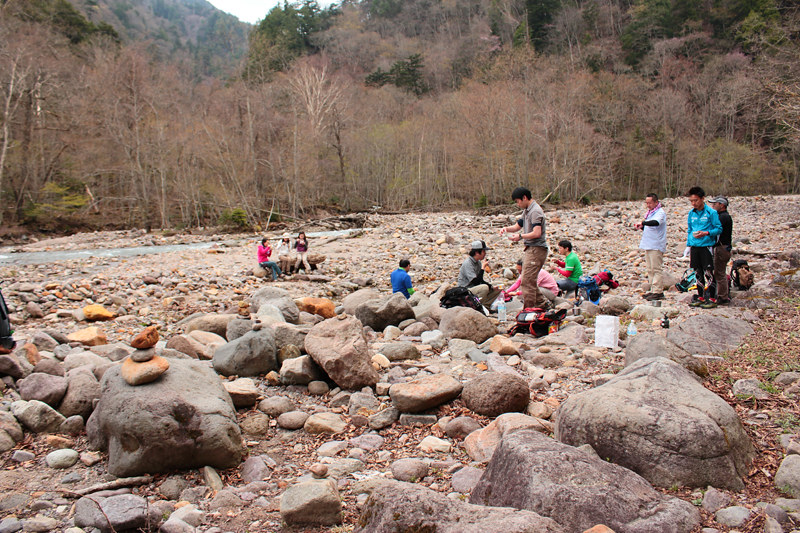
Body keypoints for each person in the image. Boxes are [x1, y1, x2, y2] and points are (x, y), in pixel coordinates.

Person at [499, 187, 550, 310]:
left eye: (518, 201)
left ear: (524, 198)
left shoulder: (535, 211)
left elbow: (537, 232)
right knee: (529, 280)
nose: (518, 204)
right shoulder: (527, 210)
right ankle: (543, 305)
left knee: (526, 281)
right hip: (530, 249)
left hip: (537, 249)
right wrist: (506, 229)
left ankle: (529, 309)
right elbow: (518, 226)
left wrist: (520, 236)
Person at [686, 186, 723, 308]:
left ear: (702, 199)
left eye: (696, 200)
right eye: (691, 201)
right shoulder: (691, 213)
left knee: (708, 273)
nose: (693, 203)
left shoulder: (711, 213)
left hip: (706, 246)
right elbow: (690, 230)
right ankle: (700, 297)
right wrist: (688, 245)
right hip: (695, 246)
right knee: (697, 272)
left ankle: (712, 298)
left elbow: (718, 229)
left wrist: (706, 233)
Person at [634, 193, 667, 301]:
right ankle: (653, 290)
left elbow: (655, 223)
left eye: (650, 203)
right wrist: (642, 226)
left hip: (656, 245)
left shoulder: (660, 213)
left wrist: (644, 222)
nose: (648, 205)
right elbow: (649, 227)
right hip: (648, 244)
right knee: (650, 269)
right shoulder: (650, 213)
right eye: (647, 203)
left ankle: (658, 291)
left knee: (656, 268)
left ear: (656, 202)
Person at [458, 240, 502, 307]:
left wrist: (492, 287)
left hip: (475, 287)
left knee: (499, 285)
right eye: (484, 251)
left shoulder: (478, 262)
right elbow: (476, 281)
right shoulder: (468, 263)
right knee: (484, 288)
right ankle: (477, 306)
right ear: (477, 253)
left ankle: (485, 306)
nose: (485, 254)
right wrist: (483, 268)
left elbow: (480, 280)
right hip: (465, 290)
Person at [710, 196, 733, 305]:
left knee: (719, 273)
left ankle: (722, 297)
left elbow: (715, 231)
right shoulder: (723, 216)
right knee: (719, 272)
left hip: (722, 247)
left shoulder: (723, 217)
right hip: (723, 247)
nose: (713, 206)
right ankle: (721, 294)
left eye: (715, 204)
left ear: (722, 205)